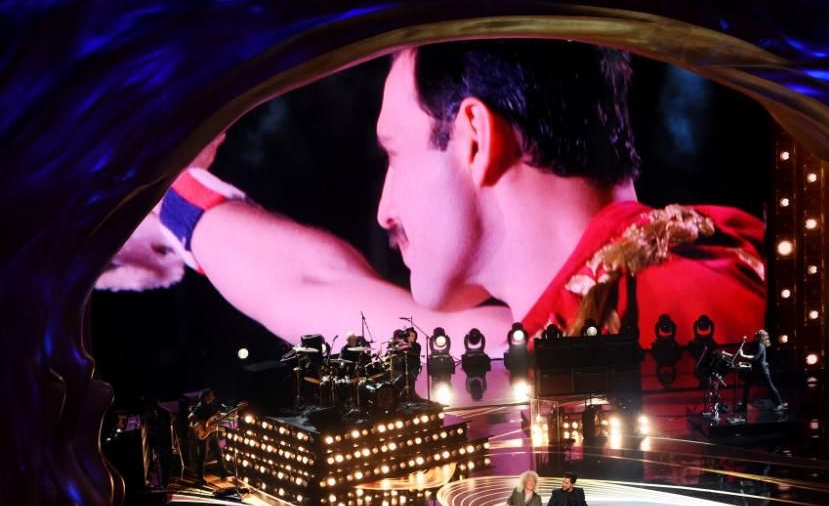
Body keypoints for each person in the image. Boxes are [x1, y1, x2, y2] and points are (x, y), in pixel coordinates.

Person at [106, 40, 765, 354]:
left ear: (474, 138)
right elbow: (321, 293)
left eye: (395, 152)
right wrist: (167, 195)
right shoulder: (610, 308)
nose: (384, 209)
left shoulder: (666, 326)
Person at [188, 388, 233, 483]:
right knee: (203, 455)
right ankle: (200, 477)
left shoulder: (213, 405)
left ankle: (223, 472)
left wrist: (219, 416)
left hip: (212, 432)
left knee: (218, 452)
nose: (213, 397)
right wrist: (202, 423)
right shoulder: (200, 406)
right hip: (204, 433)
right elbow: (190, 417)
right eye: (211, 395)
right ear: (205, 396)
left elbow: (216, 416)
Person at [738, 330, 784, 411]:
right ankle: (744, 405)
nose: (755, 333)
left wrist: (743, 355)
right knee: (747, 385)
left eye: (757, 333)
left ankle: (780, 403)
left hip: (762, 371)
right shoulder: (756, 344)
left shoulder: (760, 345)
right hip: (756, 370)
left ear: (760, 337)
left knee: (770, 387)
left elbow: (755, 357)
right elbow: (752, 355)